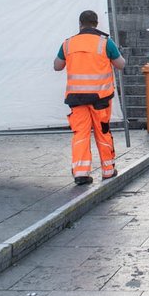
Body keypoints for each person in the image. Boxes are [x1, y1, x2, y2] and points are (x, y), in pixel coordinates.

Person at [54, 10, 126, 186]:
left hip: (76, 99)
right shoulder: (105, 42)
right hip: (100, 99)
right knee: (103, 133)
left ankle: (81, 173)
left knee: (80, 134)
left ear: (80, 24)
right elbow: (121, 64)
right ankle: (108, 170)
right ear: (96, 23)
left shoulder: (68, 43)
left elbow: (57, 66)